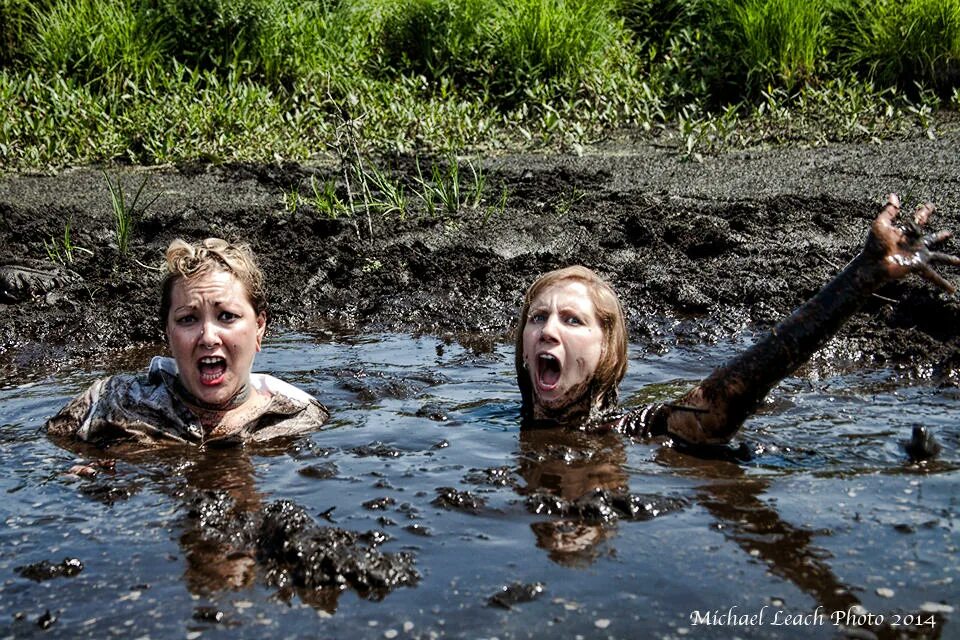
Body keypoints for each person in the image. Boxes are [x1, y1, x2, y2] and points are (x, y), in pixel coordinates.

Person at [515, 194, 959, 445]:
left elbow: (720, 401)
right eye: (538, 318)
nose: (548, 331)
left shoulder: (633, 428)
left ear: (608, 351)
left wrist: (859, 280)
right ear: (522, 346)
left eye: (572, 320)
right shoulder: (491, 421)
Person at [46, 237, 329, 446]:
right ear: (167, 333)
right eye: (187, 319)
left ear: (258, 327)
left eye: (227, 316)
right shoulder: (109, 402)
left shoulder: (295, 419)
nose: (208, 337)